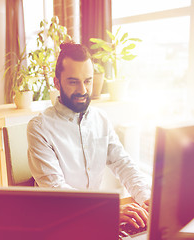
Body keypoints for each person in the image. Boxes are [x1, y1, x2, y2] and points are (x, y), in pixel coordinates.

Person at [27, 43, 151, 229]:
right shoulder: (39, 128)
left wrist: (147, 198)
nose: (83, 90)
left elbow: (122, 163)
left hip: (95, 219)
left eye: (88, 80)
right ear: (57, 82)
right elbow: (55, 189)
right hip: (58, 222)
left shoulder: (100, 118)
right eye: (73, 81)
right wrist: (106, 211)